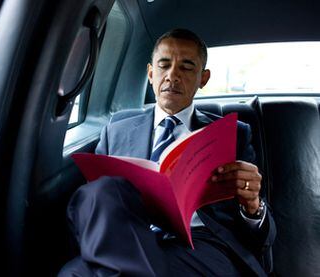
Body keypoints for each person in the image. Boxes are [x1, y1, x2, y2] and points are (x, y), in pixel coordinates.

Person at [59, 28, 276, 276]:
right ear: (151, 73)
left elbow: (263, 236)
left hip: (201, 245)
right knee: (100, 195)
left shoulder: (234, 135)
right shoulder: (116, 131)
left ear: (203, 78)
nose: (172, 75)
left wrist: (253, 206)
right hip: (127, 236)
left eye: (186, 67)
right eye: (164, 65)